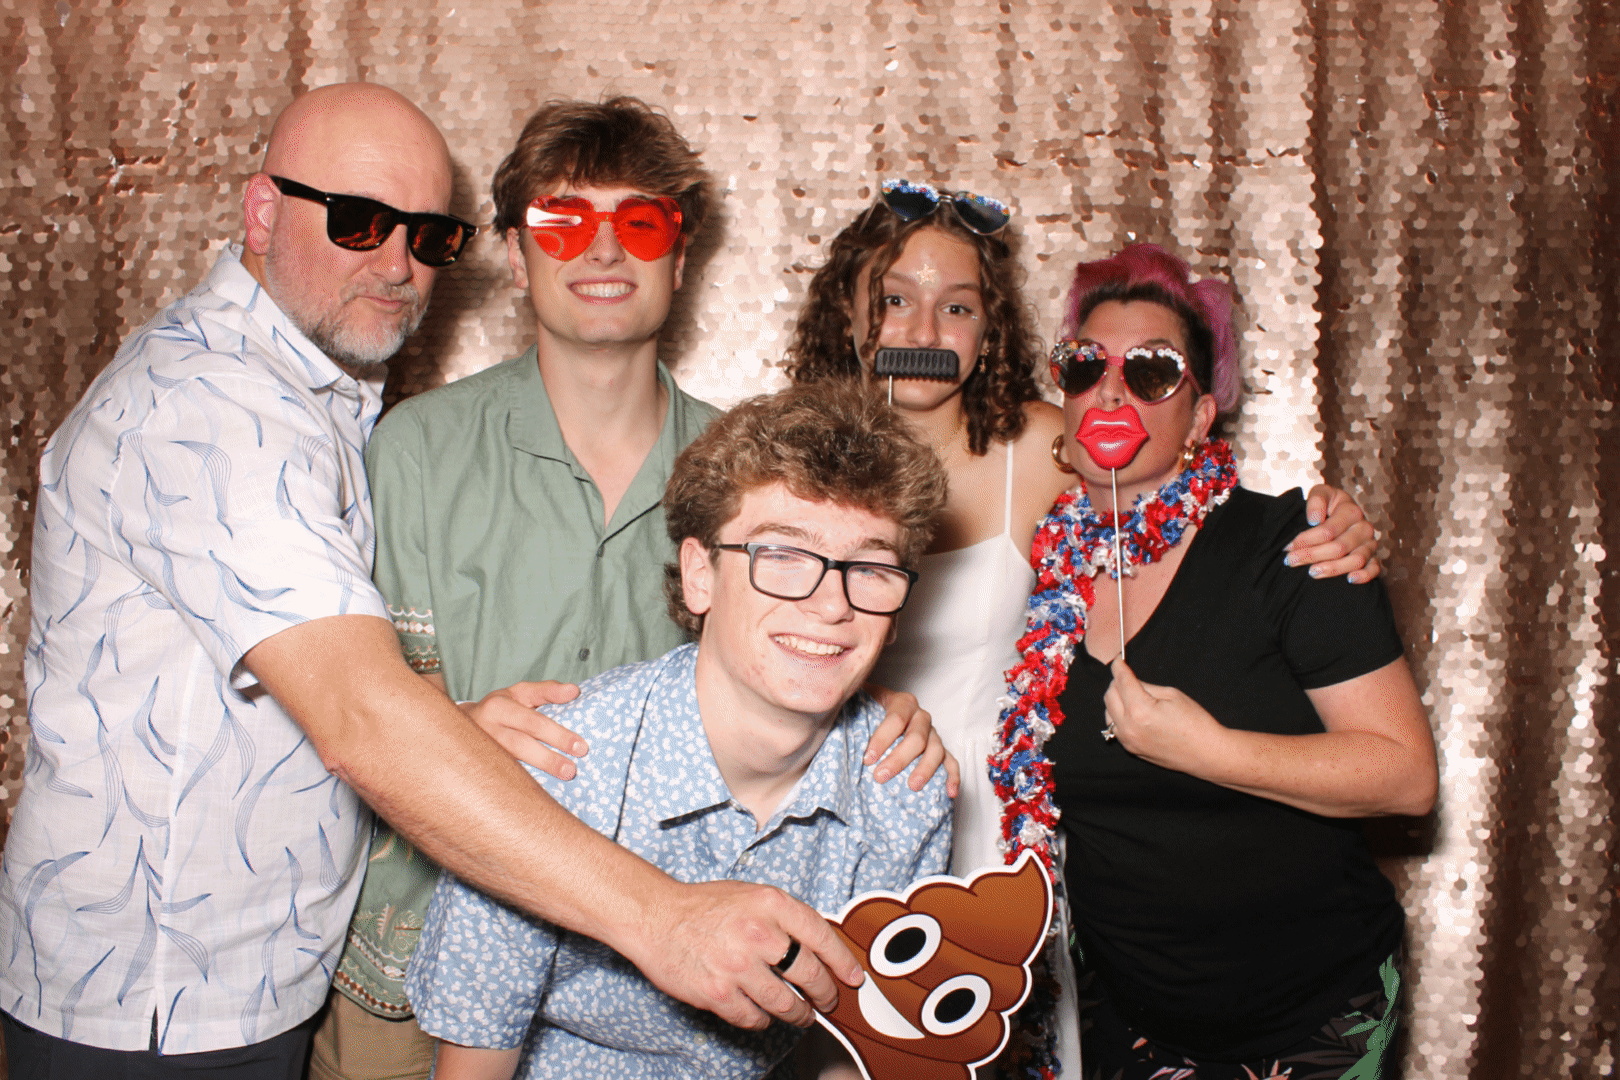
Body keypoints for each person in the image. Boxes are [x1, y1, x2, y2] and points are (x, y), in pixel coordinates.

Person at [0, 84, 869, 1078]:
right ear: (259, 211)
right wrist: (660, 918)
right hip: (184, 993)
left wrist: (875, 715)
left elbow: (802, 645)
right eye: (360, 221)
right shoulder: (219, 409)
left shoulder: (329, 400)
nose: (395, 260)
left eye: (422, 234)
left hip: (561, 1006)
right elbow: (363, 713)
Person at [315, 97, 949, 1080]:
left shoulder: (756, 473)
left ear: (679, 257)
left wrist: (869, 714)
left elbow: (812, 637)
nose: (603, 252)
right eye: (566, 224)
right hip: (414, 963)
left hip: (686, 990)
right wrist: (458, 735)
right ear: (518, 260)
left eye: (640, 223)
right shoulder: (410, 452)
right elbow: (337, 706)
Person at [785, 184, 1382, 882]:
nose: (924, 332)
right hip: (822, 792)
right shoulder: (782, 457)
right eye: (894, 300)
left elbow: (1181, 494)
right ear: (847, 312)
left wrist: (1332, 520)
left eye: (956, 307)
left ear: (987, 331)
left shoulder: (1041, 447)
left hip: (987, 815)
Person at [406, 382, 953, 1080]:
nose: (829, 603)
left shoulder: (904, 789)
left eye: (870, 568)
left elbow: (850, 1050)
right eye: (783, 556)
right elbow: (474, 1063)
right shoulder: (551, 769)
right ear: (701, 575)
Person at [992, 243, 1438, 1078]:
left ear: (1200, 416)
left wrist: (1206, 750)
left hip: (1308, 1017)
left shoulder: (1294, 547)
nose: (1113, 388)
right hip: (1125, 1021)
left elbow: (1405, 775)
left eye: (1154, 370)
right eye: (1086, 366)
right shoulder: (1038, 568)